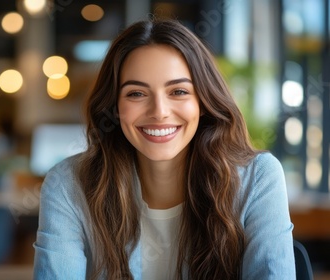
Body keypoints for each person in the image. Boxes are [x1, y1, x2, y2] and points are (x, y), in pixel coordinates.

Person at [33, 19, 295, 280]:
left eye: (178, 91)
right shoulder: (68, 184)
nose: (159, 112)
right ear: (114, 106)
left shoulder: (258, 178)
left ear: (203, 101)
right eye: (136, 94)